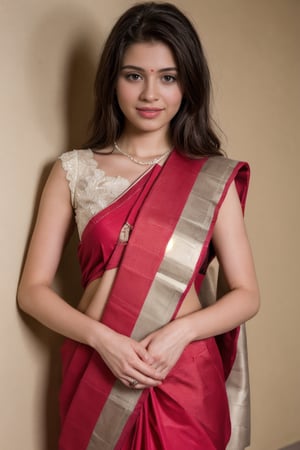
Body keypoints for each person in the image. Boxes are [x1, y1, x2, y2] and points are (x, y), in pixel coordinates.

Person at [17, 2, 260, 449]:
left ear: (188, 85)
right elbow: (31, 290)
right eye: (134, 75)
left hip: (182, 371)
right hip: (97, 369)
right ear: (113, 81)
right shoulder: (72, 170)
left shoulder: (209, 177)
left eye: (168, 77)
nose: (150, 94)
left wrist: (177, 335)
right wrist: (103, 340)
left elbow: (246, 295)